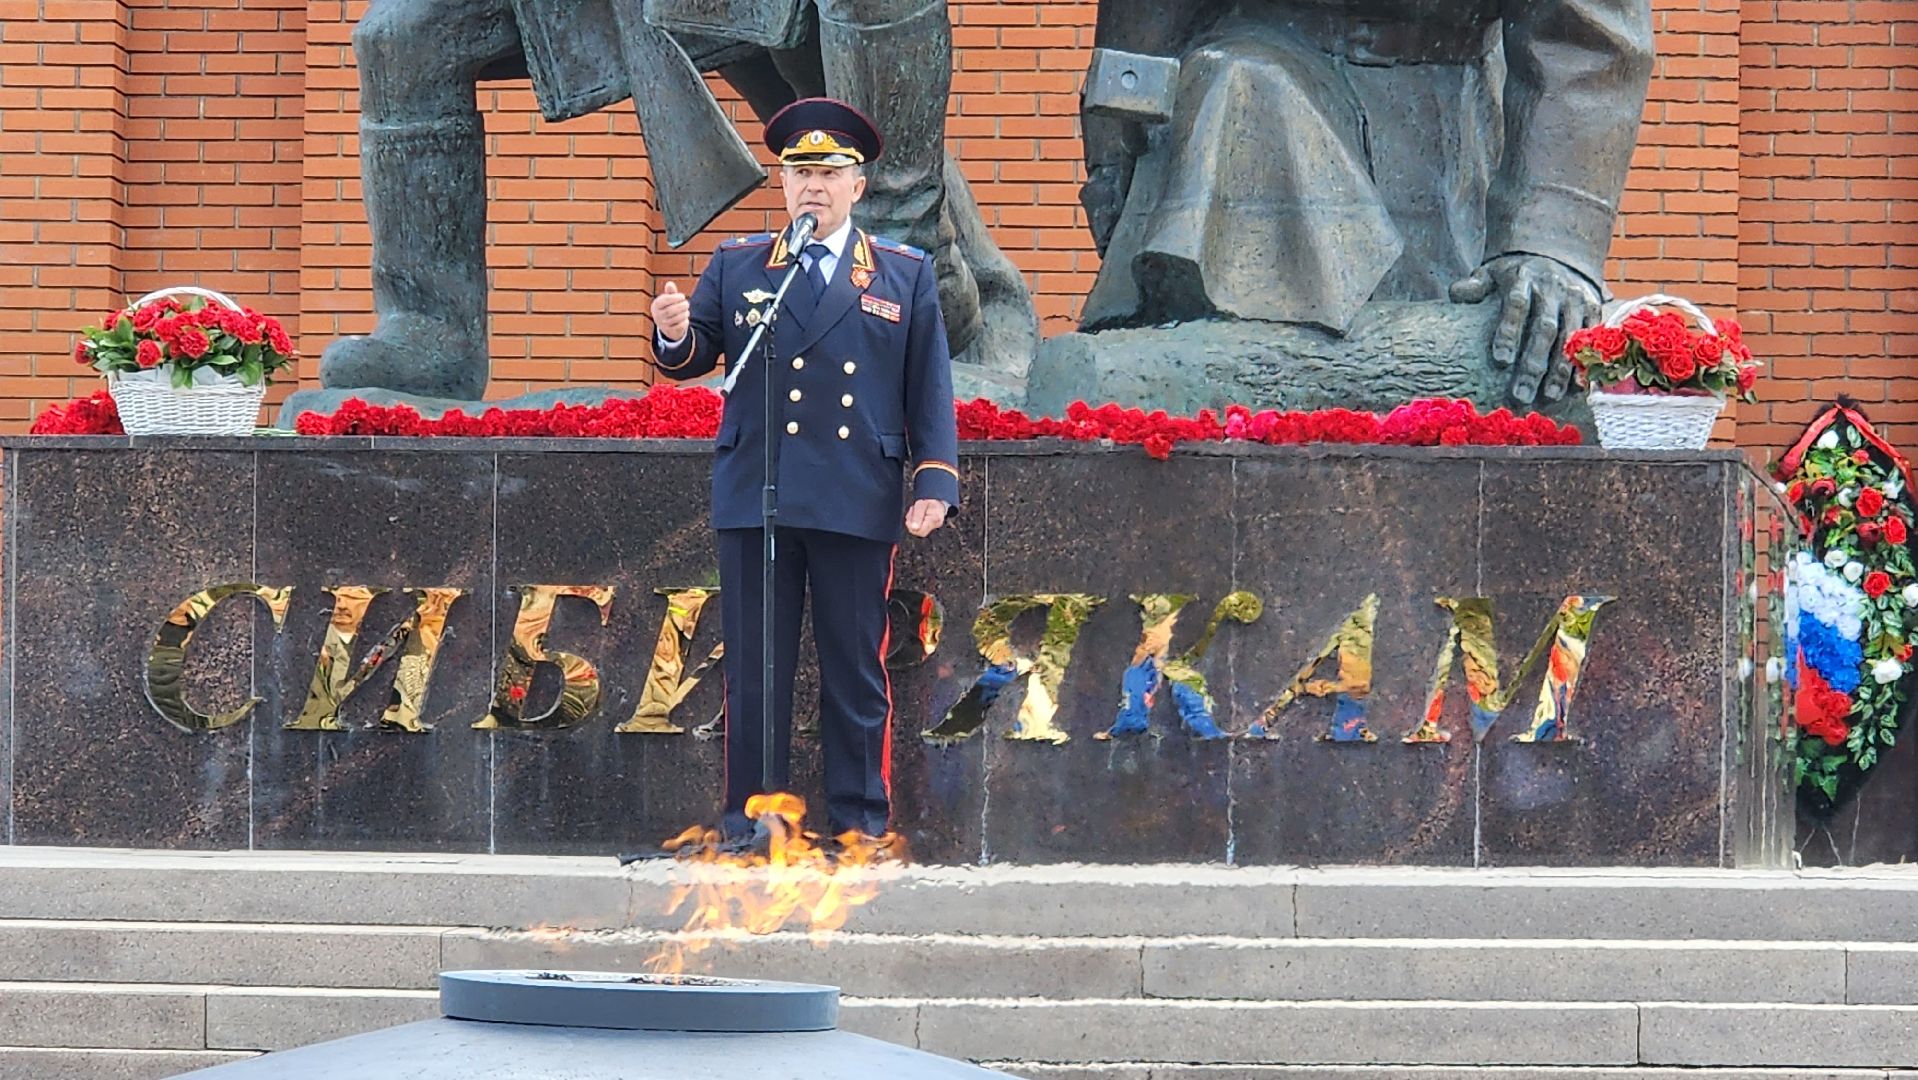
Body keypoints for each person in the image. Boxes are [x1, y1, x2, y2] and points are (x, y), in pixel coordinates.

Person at [1077, 0, 1654, 406]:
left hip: (1452, 128)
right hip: (1250, 97)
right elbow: (1141, 26)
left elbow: (1585, 28)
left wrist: (1550, 238)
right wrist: (1118, 155)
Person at [649, 97, 960, 844]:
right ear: (782, 183)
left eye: (827, 172)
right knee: (756, 673)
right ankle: (755, 829)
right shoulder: (740, 264)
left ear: (858, 185)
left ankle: (858, 828)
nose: (811, 187)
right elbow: (699, 358)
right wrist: (674, 334)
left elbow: (930, 385)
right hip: (759, 491)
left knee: (856, 672)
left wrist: (935, 480)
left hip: (856, 490)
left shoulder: (900, 274)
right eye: (798, 173)